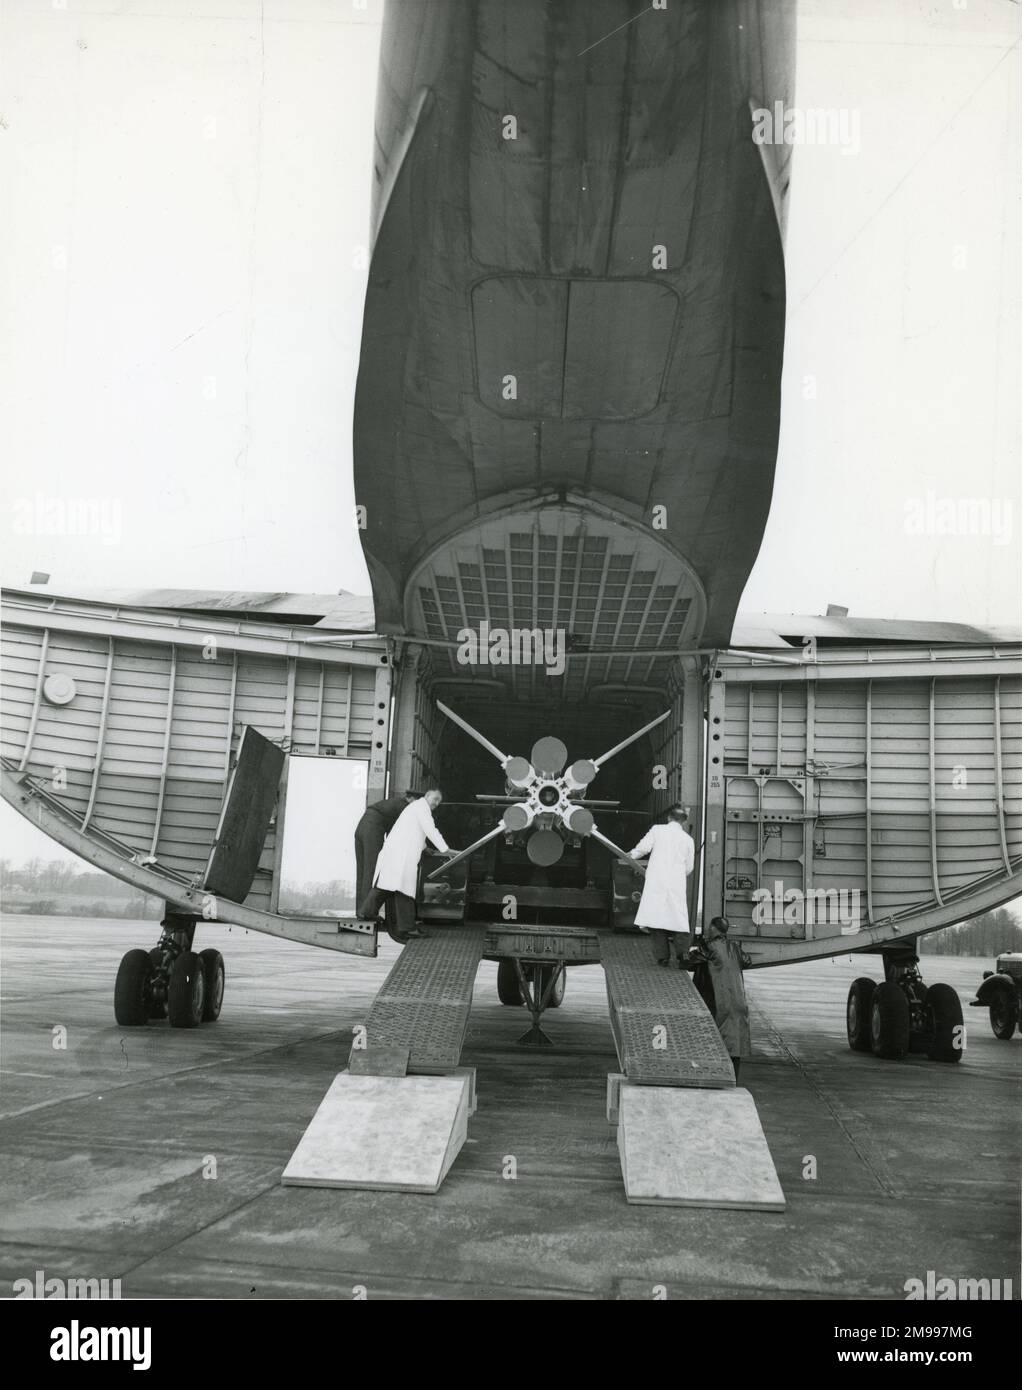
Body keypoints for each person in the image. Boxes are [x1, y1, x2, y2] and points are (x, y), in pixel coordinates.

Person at [364, 790, 454, 943]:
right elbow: (430, 829)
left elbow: (415, 831)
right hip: (401, 855)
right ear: (426, 796)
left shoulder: (416, 808)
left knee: (387, 885)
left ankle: (366, 913)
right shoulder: (422, 808)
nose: (436, 803)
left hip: (397, 853)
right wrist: (446, 849)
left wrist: (425, 847)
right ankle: (408, 928)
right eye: (435, 799)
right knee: (404, 890)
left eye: (439, 801)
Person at [625, 804, 695, 966]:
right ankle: (683, 955)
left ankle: (662, 958)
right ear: (683, 822)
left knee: (656, 919)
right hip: (676, 882)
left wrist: (632, 855)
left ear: (669, 818)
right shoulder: (688, 840)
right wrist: (677, 875)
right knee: (679, 919)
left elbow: (643, 848)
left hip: (656, 880)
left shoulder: (657, 830)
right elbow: (689, 867)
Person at [694, 916, 752, 1080]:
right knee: (735, 1043)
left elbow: (690, 961)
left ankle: (714, 1076)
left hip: (720, 1001)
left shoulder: (709, 947)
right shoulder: (734, 947)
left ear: (713, 929)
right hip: (739, 1001)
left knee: (714, 1039)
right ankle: (733, 1078)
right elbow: (747, 961)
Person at [354, 791, 414, 911]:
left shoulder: (393, 803)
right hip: (373, 830)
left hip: (362, 827)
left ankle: (360, 910)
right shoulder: (404, 807)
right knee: (372, 870)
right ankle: (366, 912)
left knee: (362, 871)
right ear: (410, 798)